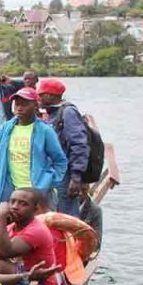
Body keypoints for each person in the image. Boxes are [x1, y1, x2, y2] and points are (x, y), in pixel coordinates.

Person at [0, 189, 60, 285]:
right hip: (24, 278)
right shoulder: (12, 227)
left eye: (23, 204)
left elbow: (3, 252)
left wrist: (1, 217)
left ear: (35, 209)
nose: (15, 207)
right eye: (12, 202)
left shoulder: (36, 230)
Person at [0, 87, 69, 203]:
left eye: (24, 105)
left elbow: (60, 160)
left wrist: (49, 182)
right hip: (10, 190)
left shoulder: (45, 131)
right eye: (17, 104)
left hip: (37, 192)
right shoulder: (6, 128)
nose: (19, 108)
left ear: (35, 106)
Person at [38, 78, 90, 217]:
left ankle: (70, 239)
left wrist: (76, 177)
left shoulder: (68, 113)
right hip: (53, 174)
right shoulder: (51, 114)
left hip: (66, 175)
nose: (39, 98)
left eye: (41, 95)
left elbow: (79, 144)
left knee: (66, 215)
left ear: (51, 96)